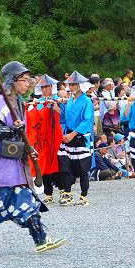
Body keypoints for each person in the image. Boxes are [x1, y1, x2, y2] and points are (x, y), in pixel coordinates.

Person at [0, 60, 66, 256]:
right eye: (24, 80)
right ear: (12, 80)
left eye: (29, 80)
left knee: (26, 201)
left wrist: (28, 150)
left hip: (12, 162)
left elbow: (21, 135)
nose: (28, 84)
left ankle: (41, 240)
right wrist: (12, 129)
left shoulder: (18, 103)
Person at [57, 71, 94, 206]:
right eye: (70, 84)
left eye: (73, 84)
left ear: (80, 85)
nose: (70, 87)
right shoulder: (69, 101)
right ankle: (67, 193)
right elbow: (63, 119)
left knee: (83, 169)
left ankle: (83, 196)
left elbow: (87, 120)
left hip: (79, 136)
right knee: (65, 166)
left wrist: (72, 135)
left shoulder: (87, 101)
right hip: (68, 136)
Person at [26, 74, 63, 204]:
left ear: (51, 87)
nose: (44, 89)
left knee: (57, 161)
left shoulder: (58, 99)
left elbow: (63, 115)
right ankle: (48, 192)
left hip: (55, 134)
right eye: (42, 87)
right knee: (44, 162)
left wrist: (55, 106)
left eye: (46, 87)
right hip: (43, 137)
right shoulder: (39, 102)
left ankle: (63, 190)